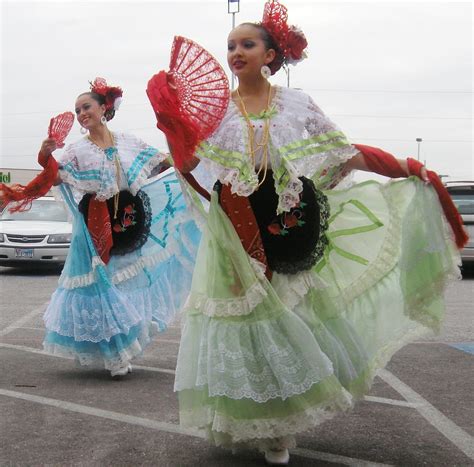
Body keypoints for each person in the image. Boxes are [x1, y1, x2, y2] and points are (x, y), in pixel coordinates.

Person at [171, 1, 464, 464]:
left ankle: (282, 427)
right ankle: (256, 417)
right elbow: (188, 165)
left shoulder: (297, 103)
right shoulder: (216, 113)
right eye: (230, 45)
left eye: (247, 43)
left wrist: (403, 167)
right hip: (237, 224)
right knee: (245, 319)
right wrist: (170, 122)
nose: (235, 51)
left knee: (292, 316)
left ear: (270, 55)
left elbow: (342, 152)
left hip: (289, 217)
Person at [36, 78, 200, 377]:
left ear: (103, 108)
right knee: (103, 282)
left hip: (130, 218)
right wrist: (45, 156)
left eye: (86, 106)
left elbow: (162, 163)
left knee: (128, 283)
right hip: (95, 222)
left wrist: (185, 152)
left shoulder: (127, 140)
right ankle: (115, 354)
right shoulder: (76, 150)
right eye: (77, 110)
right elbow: (56, 178)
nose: (82, 113)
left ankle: (124, 344)